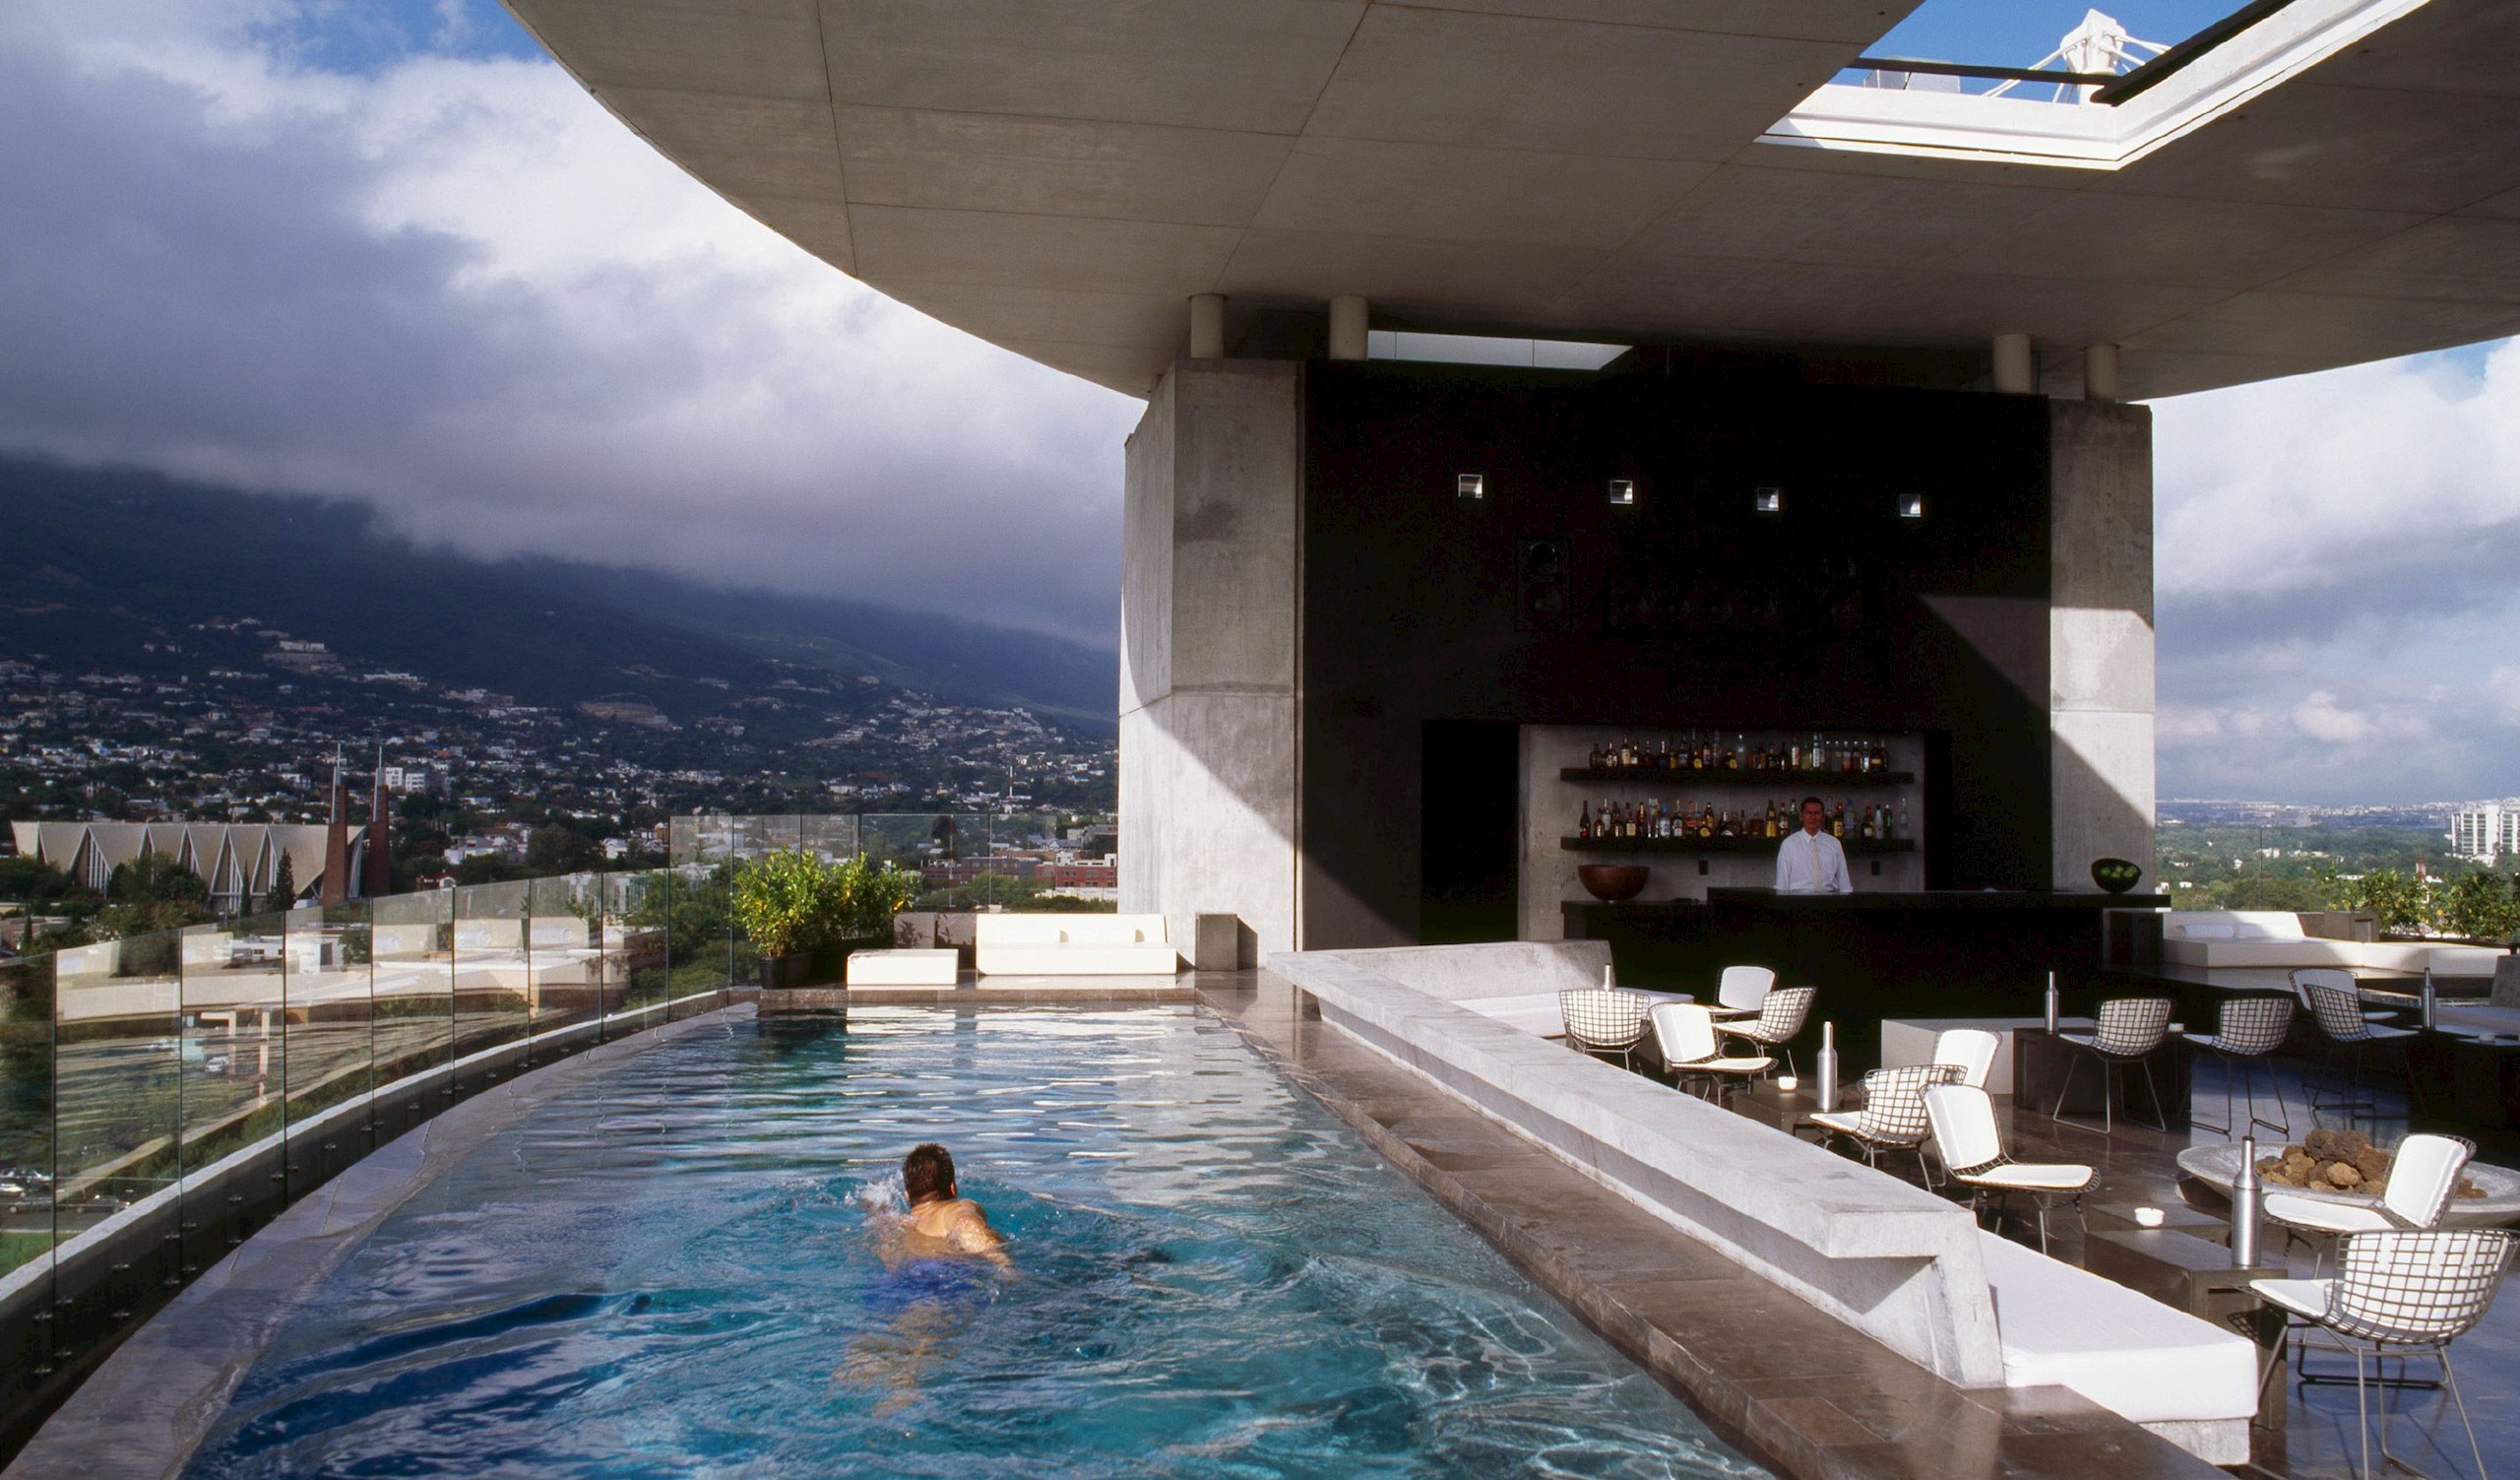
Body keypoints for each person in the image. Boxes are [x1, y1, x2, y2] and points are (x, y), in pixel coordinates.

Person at [898, 1142, 1008, 1266]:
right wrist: (1004, 1264)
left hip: (905, 1276)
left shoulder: (897, 1223)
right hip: (948, 1272)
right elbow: (966, 1223)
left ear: (907, 1196)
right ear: (952, 1188)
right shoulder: (955, 1209)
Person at [1774, 796, 1852, 895]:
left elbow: (1844, 882)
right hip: (1798, 903)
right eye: (1809, 813)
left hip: (1830, 902)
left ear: (1823, 818)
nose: (1813, 817)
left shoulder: (1834, 843)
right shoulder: (1788, 845)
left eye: (1817, 813)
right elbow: (1782, 885)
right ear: (1801, 817)